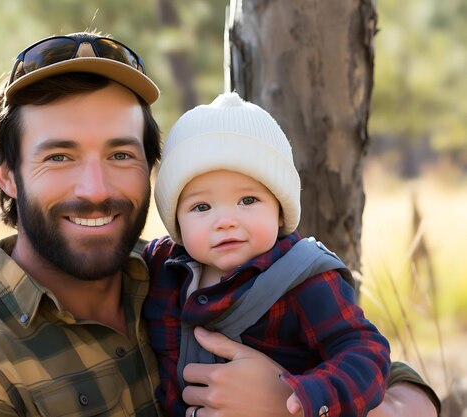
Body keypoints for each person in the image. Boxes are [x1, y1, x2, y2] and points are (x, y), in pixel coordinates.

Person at [0, 31, 440, 417]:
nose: (95, 188)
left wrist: (288, 398)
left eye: (120, 155)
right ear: (8, 175)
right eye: (59, 157)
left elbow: (385, 371)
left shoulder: (177, 271)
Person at [143, 92, 391, 417]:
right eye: (201, 207)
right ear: (176, 221)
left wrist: (311, 397)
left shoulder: (302, 279)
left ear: (279, 209)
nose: (226, 221)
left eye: (248, 200)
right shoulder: (161, 268)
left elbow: (365, 352)